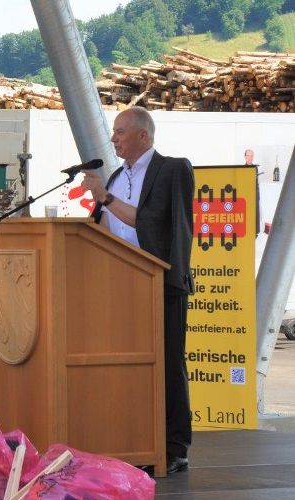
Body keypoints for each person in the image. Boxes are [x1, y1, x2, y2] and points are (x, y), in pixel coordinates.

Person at [81, 106, 194, 476]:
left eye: (120, 132)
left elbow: (154, 224)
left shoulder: (172, 169)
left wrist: (106, 199)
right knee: (128, 366)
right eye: (113, 132)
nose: (113, 138)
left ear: (143, 136)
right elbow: (105, 227)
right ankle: (134, 439)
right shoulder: (115, 176)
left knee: (166, 365)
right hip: (119, 286)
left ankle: (173, 447)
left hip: (160, 284)